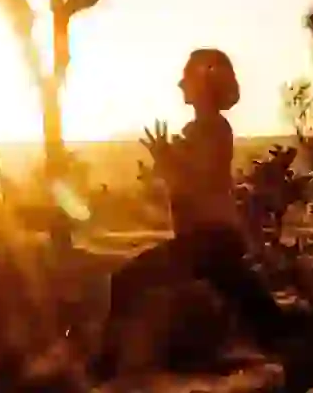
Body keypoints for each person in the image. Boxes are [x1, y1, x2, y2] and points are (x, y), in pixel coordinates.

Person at [90, 48, 290, 379]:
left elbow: (199, 179)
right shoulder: (203, 129)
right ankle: (294, 347)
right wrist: (165, 156)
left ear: (203, 85)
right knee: (251, 302)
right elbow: (186, 181)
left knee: (126, 281)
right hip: (211, 238)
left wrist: (166, 156)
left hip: (208, 239)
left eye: (187, 78)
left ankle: (106, 368)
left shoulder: (210, 129)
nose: (180, 84)